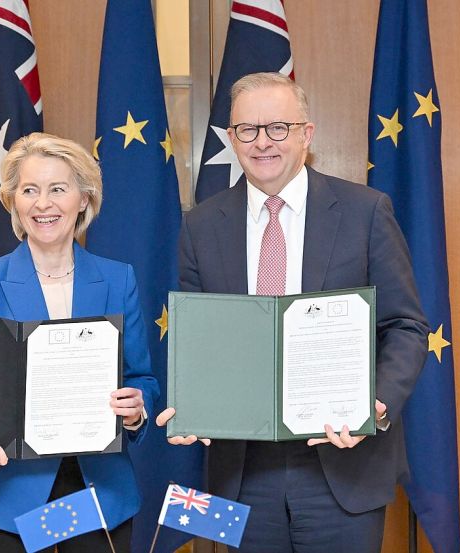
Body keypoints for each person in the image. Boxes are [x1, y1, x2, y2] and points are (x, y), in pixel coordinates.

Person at [157, 72, 429, 552]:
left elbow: (405, 326)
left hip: (345, 465)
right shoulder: (201, 225)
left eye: (278, 127)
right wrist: (193, 405)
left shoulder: (366, 211)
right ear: (231, 138)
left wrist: (375, 405)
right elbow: (200, 338)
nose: (263, 142)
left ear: (307, 134)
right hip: (242, 472)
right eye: (247, 130)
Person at [0, 132, 158, 553]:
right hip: (8, 497)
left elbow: (142, 377)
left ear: (83, 199)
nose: (43, 203)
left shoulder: (118, 279)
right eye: (29, 190)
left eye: (57, 189)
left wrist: (137, 408)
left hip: (98, 493)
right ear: (14, 201)